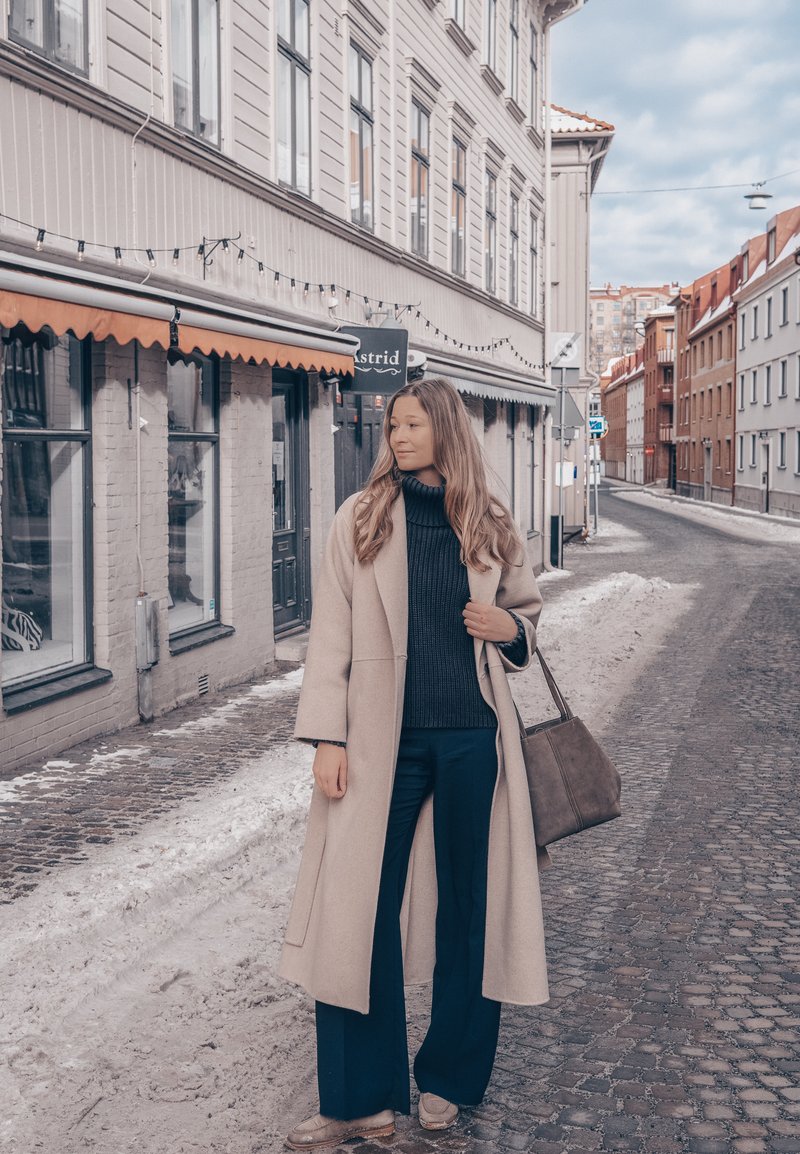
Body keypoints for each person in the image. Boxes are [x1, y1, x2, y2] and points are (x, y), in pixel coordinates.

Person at [280, 377, 549, 1150]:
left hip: (472, 739)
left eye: (411, 424)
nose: (396, 436)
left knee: (471, 912)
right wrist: (327, 737)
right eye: (391, 425)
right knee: (357, 910)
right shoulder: (360, 520)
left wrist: (508, 626)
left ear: (444, 432)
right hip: (378, 745)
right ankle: (360, 1098)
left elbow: (526, 622)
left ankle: (448, 1081)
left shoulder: (489, 523)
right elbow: (329, 634)